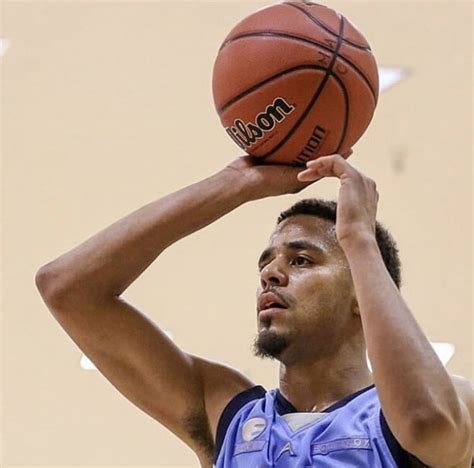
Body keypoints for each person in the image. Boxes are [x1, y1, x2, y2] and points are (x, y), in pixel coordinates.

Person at [35, 153, 473, 467]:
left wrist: (358, 236)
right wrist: (235, 183)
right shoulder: (228, 416)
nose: (272, 274)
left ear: (363, 291)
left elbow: (425, 423)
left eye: (301, 260)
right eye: (266, 263)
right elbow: (67, 288)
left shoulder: (442, 401)